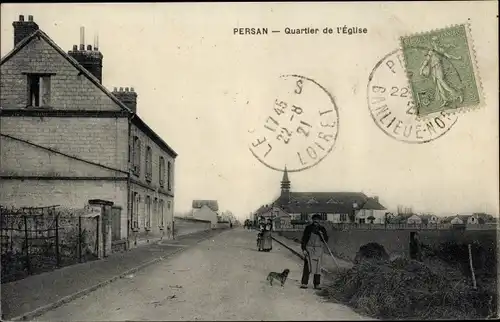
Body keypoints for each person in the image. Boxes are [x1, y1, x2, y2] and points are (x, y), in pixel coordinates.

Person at [300, 214, 329, 289]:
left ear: (320, 221)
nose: (316, 221)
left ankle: (317, 284)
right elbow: (304, 239)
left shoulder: (322, 229)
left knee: (317, 267)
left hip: (318, 250)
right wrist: (303, 249)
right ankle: (304, 283)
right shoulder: (308, 228)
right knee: (307, 266)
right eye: (314, 219)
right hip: (309, 249)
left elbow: (326, 240)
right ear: (312, 220)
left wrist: (322, 235)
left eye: (318, 220)